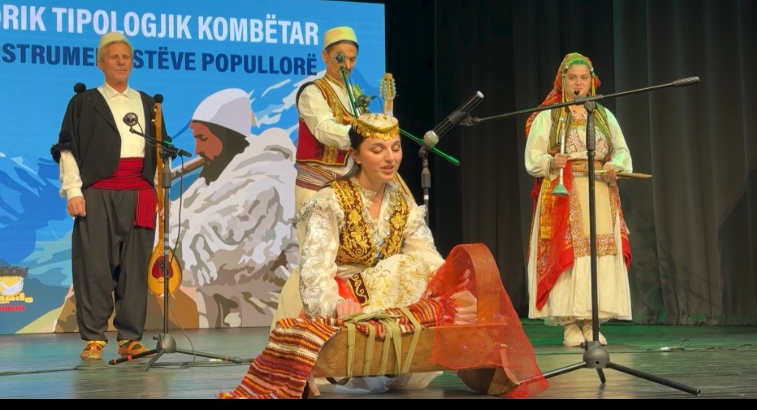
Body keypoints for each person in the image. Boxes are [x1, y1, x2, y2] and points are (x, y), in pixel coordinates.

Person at [221, 113, 547, 399]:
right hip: (337, 288)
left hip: (386, 292)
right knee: (401, 267)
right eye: (377, 150)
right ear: (356, 155)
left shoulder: (401, 203)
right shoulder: (330, 199)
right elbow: (316, 270)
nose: (390, 157)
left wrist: (453, 294)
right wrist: (335, 304)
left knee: (419, 268)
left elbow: (427, 258)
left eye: (395, 147)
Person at [50, 32, 167, 360]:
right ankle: (94, 337)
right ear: (100, 63)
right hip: (99, 192)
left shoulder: (147, 103)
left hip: (139, 192)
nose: (120, 62)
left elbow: (158, 150)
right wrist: (74, 190)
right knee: (96, 265)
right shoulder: (83, 102)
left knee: (134, 266)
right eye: (113, 57)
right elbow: (67, 149)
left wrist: (159, 192)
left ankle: (130, 336)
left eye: (126, 57)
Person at [524, 52, 633, 347]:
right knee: (571, 254)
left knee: (598, 254)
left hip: (599, 189)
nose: (578, 83)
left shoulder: (603, 116)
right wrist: (550, 161)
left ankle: (592, 320)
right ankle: (570, 322)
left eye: (584, 78)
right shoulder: (549, 116)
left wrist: (615, 166)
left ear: (592, 82)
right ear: (562, 81)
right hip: (564, 192)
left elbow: (622, 152)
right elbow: (532, 158)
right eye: (572, 77)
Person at [167, 88, 299, 328]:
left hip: (263, 315)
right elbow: (180, 217)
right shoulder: (217, 175)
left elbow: (224, 257)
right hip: (226, 305)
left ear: (226, 136)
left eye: (202, 138)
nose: (196, 149)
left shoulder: (268, 181)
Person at [294, 25, 367, 213]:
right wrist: (360, 135)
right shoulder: (312, 91)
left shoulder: (355, 93)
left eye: (352, 59)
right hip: (316, 187)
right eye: (340, 58)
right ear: (325, 56)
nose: (347, 66)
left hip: (349, 186)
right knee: (319, 243)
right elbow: (323, 129)